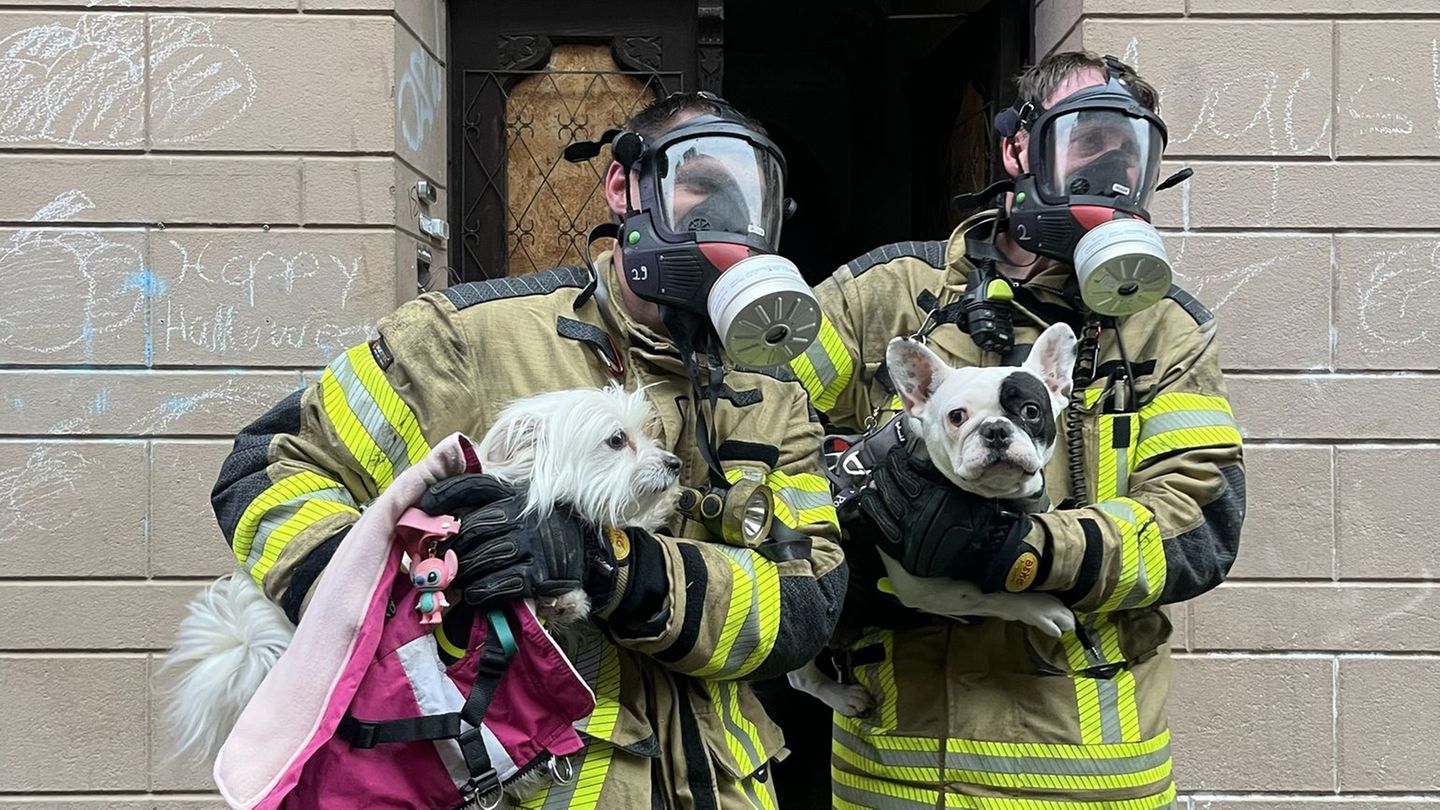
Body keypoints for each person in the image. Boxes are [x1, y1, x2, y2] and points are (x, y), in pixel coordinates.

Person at [209, 91, 846, 810]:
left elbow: (806, 603)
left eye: (745, 200)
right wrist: (396, 590)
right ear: (623, 186)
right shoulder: (466, 339)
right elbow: (269, 469)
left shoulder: (773, 394)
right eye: (700, 186)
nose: (720, 220)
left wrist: (618, 570)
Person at [789, 51, 1246, 808]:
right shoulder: (888, 297)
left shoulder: (1164, 331)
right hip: (897, 777)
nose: (1109, 177)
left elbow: (1198, 527)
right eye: (1086, 145)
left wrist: (1027, 553)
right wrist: (843, 556)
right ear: (1016, 148)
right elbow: (759, 428)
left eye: (1130, 158)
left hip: (1091, 781)